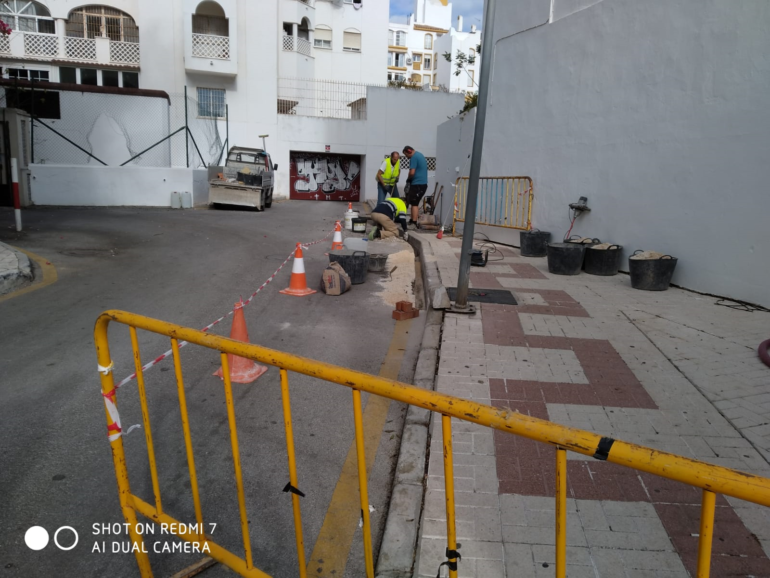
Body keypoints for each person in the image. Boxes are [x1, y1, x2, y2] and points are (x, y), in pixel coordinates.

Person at [401, 146, 428, 228]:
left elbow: (412, 172)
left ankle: (414, 222)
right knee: (413, 202)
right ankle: (412, 219)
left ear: (409, 151)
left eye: (406, 155)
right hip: (422, 184)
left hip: (418, 184)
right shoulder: (420, 155)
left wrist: (408, 179)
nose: (407, 157)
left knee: (414, 203)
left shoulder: (414, 157)